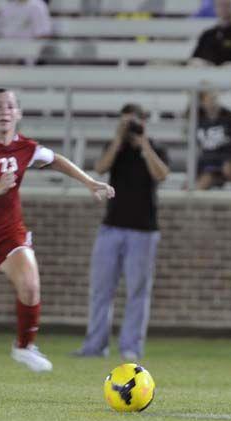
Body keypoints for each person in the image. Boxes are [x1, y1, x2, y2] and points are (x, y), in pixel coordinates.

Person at [0, 88, 115, 387]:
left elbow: (55, 159)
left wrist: (89, 183)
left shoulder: (26, 147)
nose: (4, 111)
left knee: (30, 283)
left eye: (10, 106)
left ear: (19, 114)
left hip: (10, 231)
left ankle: (24, 346)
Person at [73, 104, 169, 360]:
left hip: (144, 231)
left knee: (137, 290)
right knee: (101, 288)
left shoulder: (155, 147)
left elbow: (161, 174)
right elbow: (101, 169)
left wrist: (144, 144)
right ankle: (94, 345)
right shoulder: (115, 147)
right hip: (111, 227)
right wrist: (118, 139)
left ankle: (131, 347)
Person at [195, 90, 231, 190]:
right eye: (209, 99)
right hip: (206, 162)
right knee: (192, 184)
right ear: (202, 101)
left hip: (227, 160)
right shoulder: (198, 117)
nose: (213, 102)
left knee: (226, 171)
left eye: (215, 98)